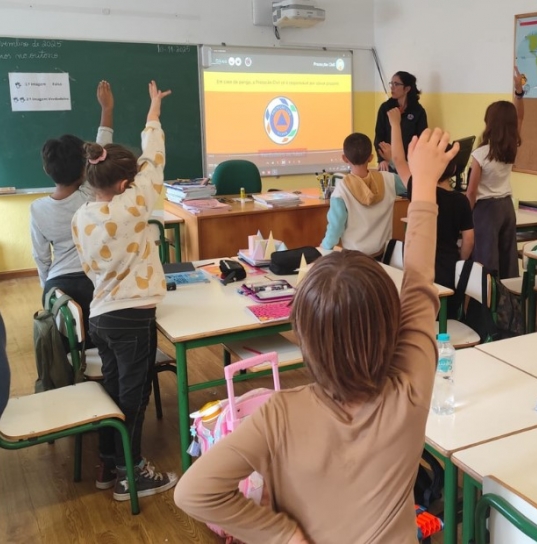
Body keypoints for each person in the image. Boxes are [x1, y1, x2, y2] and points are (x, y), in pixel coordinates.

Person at [174, 129, 460, 544]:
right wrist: (425, 184)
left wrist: (283, 535)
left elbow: (192, 493)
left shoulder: (277, 416)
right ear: (391, 327)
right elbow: (418, 280)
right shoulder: (410, 392)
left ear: (301, 338)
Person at [72, 80, 177, 501]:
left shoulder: (82, 215)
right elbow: (153, 160)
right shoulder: (133, 206)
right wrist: (153, 113)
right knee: (133, 398)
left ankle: (109, 463)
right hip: (133, 316)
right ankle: (130, 476)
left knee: (114, 391)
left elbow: (138, 167)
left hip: (101, 316)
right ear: (122, 185)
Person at [31, 81, 115, 341]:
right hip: (97, 280)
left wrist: (50, 292)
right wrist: (107, 109)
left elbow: (41, 258)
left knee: (72, 336)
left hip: (60, 287)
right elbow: (103, 146)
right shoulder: (91, 194)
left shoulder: (37, 209)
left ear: (46, 169)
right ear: (84, 169)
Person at [381, 107, 475, 288]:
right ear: (454, 169)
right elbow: (469, 239)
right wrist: (460, 262)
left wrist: (395, 124)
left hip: (419, 268)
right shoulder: (461, 200)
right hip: (448, 269)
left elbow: (398, 160)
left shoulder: (418, 189)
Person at [466, 68, 524, 279]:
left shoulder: (481, 154)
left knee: (486, 261)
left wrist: (464, 218)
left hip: (486, 211)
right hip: (506, 207)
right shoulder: (511, 146)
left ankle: (486, 299)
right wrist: (519, 92)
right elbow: (520, 117)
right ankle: (507, 298)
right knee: (508, 260)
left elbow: (471, 192)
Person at [320, 132, 407, 257]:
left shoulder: (340, 191)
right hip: (383, 254)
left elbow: (335, 228)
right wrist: (393, 160)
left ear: (344, 158)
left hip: (354, 258)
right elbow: (412, 181)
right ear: (371, 158)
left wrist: (324, 248)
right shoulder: (389, 180)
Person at [374, 71, 428, 171]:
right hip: (388, 161)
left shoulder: (418, 111)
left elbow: (422, 139)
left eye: (396, 84)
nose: (392, 87)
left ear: (407, 89)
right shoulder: (385, 108)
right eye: (391, 83)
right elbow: (379, 136)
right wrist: (381, 159)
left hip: (410, 162)